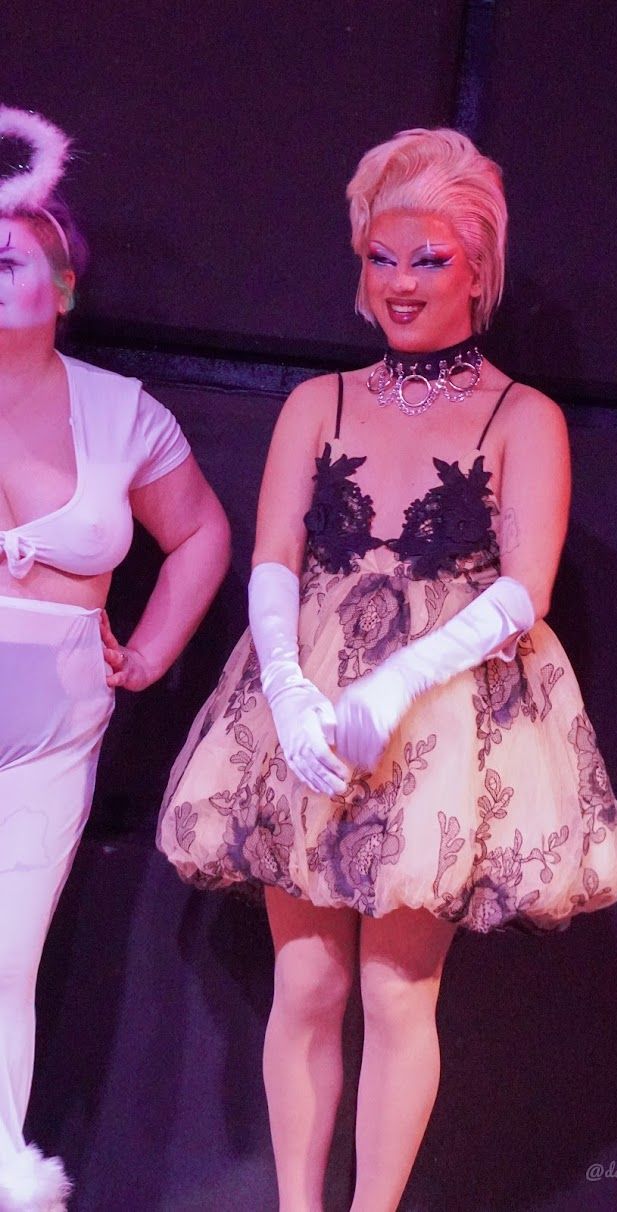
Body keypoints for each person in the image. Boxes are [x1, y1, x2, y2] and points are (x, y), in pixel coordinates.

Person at [158, 127, 617, 1212]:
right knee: (306, 980)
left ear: (479, 267)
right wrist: (288, 686)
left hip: (441, 720)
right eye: (382, 257)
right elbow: (273, 555)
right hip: (308, 697)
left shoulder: (522, 416)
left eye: (429, 258)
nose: (402, 282)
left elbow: (522, 588)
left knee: (395, 988)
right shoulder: (318, 401)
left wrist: (395, 684)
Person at [0, 106, 231, 1210]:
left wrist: (147, 651)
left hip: (52, 718)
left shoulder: (121, 412)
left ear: (64, 286)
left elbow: (201, 533)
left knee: (5, 956)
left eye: (7, 258)